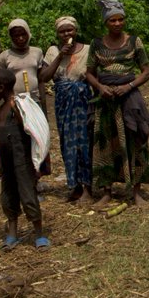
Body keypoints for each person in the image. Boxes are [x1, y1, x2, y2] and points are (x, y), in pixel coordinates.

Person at [85, 0, 149, 208]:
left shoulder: (134, 42)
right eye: (112, 20)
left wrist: (129, 86)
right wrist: (100, 87)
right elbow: (88, 73)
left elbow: (147, 71)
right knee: (105, 144)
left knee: (135, 142)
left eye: (120, 20)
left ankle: (136, 191)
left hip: (129, 99)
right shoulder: (96, 44)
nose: (117, 24)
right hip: (106, 102)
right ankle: (107, 191)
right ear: (106, 23)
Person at [0, 68, 48, 249]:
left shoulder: (18, 106)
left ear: (1, 87)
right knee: (8, 196)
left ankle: (39, 234)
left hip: (21, 161)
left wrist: (19, 112)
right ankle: (13, 233)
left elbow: (30, 128)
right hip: (7, 162)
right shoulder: (1, 109)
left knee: (28, 195)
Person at [45, 15, 92, 201]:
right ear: (57, 34)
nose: (66, 34)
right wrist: (60, 55)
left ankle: (88, 187)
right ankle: (75, 186)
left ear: (76, 31)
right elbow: (44, 76)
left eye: (69, 30)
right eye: (62, 31)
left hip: (83, 101)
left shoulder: (87, 50)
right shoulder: (52, 51)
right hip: (63, 104)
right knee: (67, 144)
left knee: (85, 143)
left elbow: (93, 76)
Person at [0, 18, 53, 113]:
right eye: (16, 35)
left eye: (23, 34)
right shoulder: (4, 56)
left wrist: (43, 104)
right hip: (14, 102)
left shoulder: (37, 52)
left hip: (34, 101)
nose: (21, 38)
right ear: (11, 37)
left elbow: (40, 80)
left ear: (28, 33)